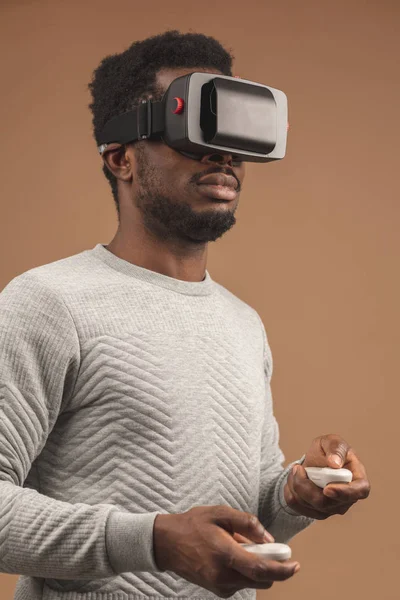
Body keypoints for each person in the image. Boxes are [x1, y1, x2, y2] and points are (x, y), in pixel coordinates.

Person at [0, 29, 370, 600]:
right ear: (121, 158)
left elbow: (249, 516)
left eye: (233, 138)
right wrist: (154, 540)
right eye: (194, 135)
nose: (223, 156)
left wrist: (298, 493)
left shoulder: (243, 323)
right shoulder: (49, 303)